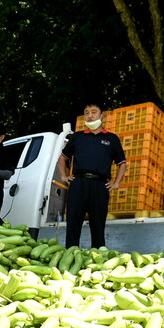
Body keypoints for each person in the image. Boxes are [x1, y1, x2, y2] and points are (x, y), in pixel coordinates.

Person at [57, 102, 128, 249]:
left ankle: (97, 257)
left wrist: (116, 183)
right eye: (86, 112)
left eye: (93, 112)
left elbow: (122, 163)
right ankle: (70, 254)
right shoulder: (77, 137)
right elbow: (63, 157)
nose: (90, 115)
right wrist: (64, 176)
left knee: (98, 225)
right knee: (73, 224)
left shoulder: (112, 139)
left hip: (100, 185)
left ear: (102, 115)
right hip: (78, 183)